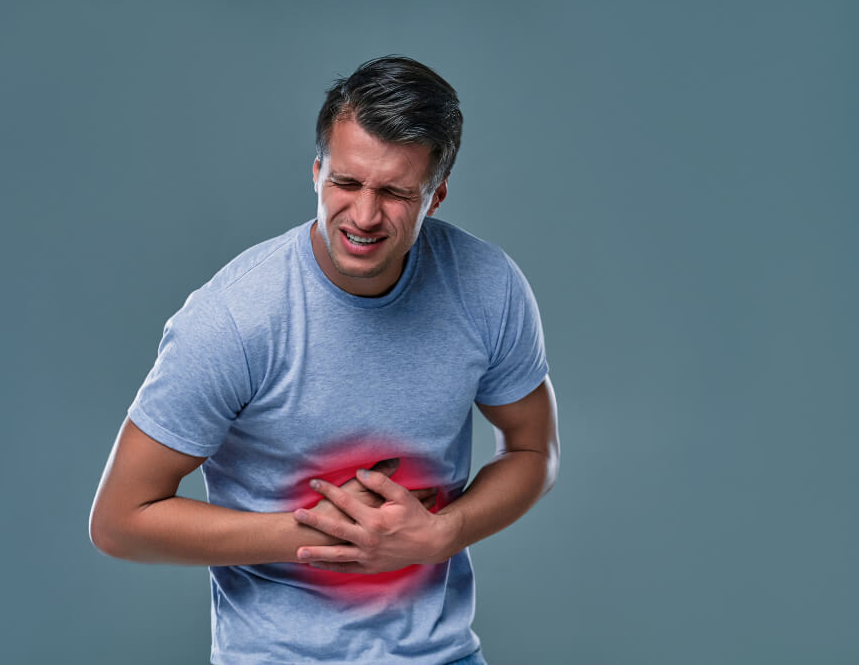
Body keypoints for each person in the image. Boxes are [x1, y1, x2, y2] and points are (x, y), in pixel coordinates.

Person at [89, 55, 560, 665]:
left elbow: (534, 450)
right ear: (317, 172)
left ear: (435, 195)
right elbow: (119, 521)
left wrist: (443, 534)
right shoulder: (235, 318)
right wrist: (322, 534)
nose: (364, 216)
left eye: (395, 193)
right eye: (346, 183)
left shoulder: (487, 285)